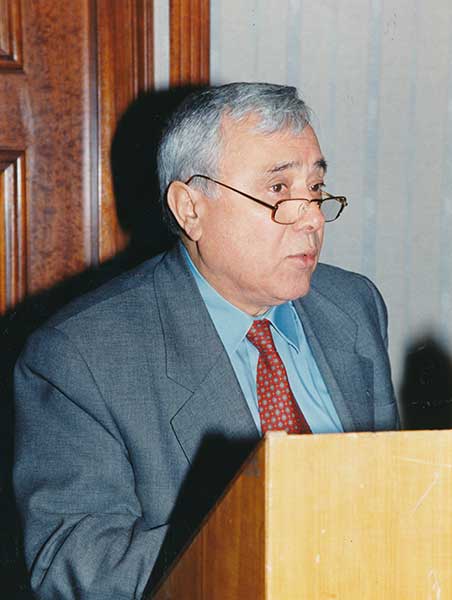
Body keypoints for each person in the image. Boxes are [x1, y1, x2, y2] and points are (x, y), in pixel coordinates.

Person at [14, 82, 399, 599]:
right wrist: (275, 541)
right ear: (190, 208)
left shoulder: (352, 306)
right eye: (279, 189)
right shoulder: (80, 355)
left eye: (315, 187)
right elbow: (75, 567)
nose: (311, 216)